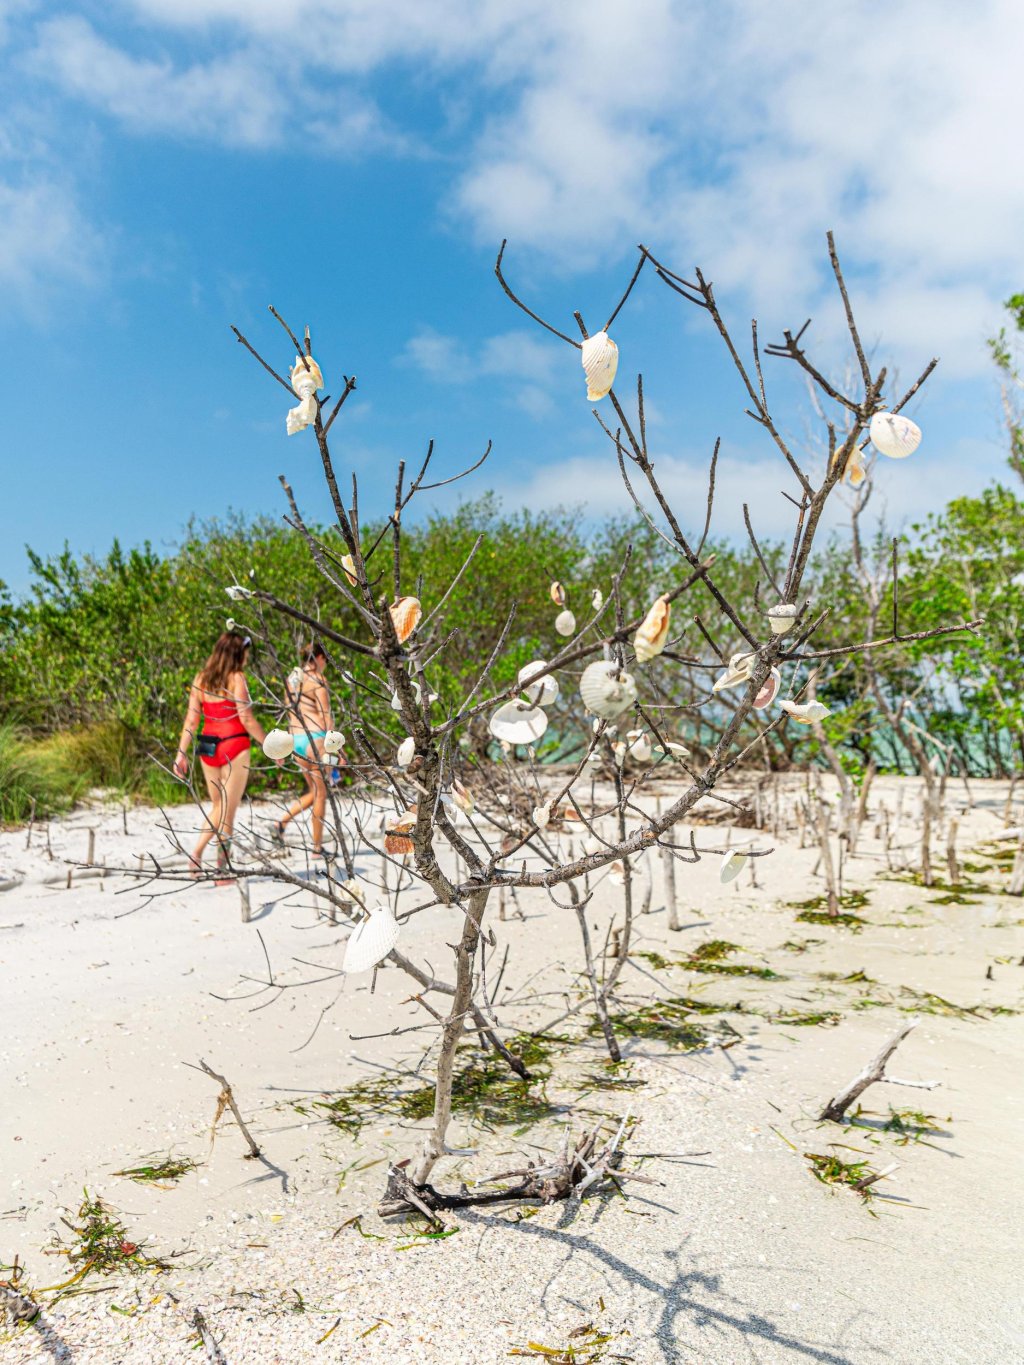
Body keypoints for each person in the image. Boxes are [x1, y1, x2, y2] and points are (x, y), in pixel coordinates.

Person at [174, 631, 269, 881]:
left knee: (218, 807)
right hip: (233, 746)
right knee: (227, 811)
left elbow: (191, 720)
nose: (248, 656)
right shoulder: (237, 677)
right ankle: (210, 861)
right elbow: (246, 718)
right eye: (246, 651)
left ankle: (219, 868)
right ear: (238, 653)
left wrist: (180, 753)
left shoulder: (200, 678)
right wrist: (269, 744)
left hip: (207, 748)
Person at [271, 640, 340, 857]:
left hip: (296, 741)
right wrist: (335, 749)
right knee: (321, 794)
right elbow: (326, 716)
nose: (326, 664)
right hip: (316, 738)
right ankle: (317, 848)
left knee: (314, 791)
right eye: (326, 660)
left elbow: (289, 712)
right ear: (319, 658)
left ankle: (281, 822)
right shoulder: (318, 680)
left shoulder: (291, 680)